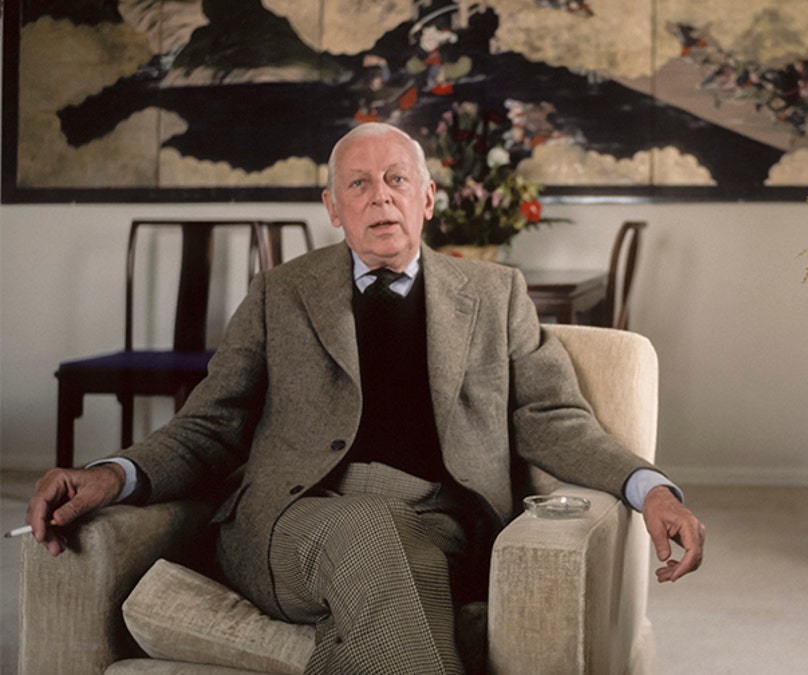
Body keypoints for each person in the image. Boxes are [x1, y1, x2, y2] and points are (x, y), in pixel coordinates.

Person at [24, 122, 705, 675]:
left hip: (441, 521)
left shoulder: (496, 297)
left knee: (395, 554)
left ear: (427, 197)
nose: (380, 197)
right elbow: (209, 425)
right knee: (370, 532)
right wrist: (111, 474)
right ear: (332, 206)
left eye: (396, 180)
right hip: (294, 521)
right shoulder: (280, 293)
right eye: (359, 183)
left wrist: (651, 489)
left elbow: (553, 418)